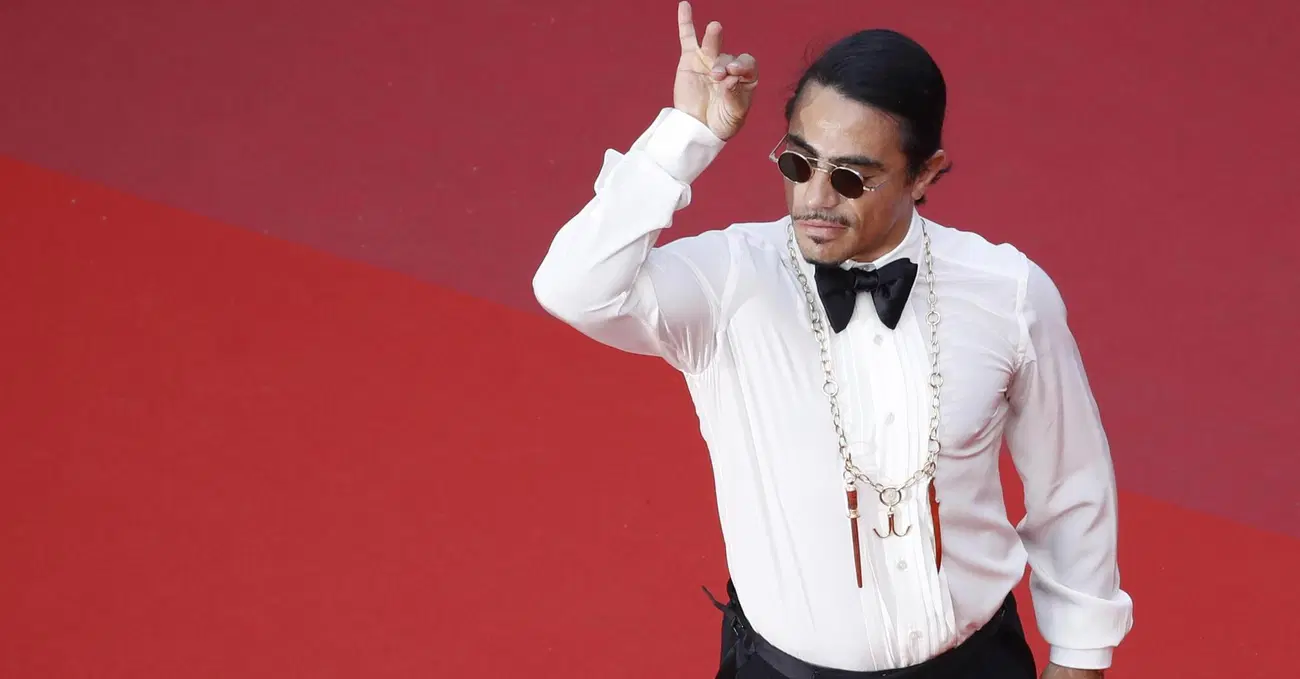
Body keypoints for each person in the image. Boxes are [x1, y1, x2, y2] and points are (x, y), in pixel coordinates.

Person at [531, 3, 1134, 677]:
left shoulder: (1008, 292)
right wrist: (686, 134)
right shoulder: (729, 282)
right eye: (798, 163)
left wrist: (1080, 657)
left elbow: (1072, 483)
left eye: (849, 177)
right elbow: (573, 286)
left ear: (924, 174)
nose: (815, 198)